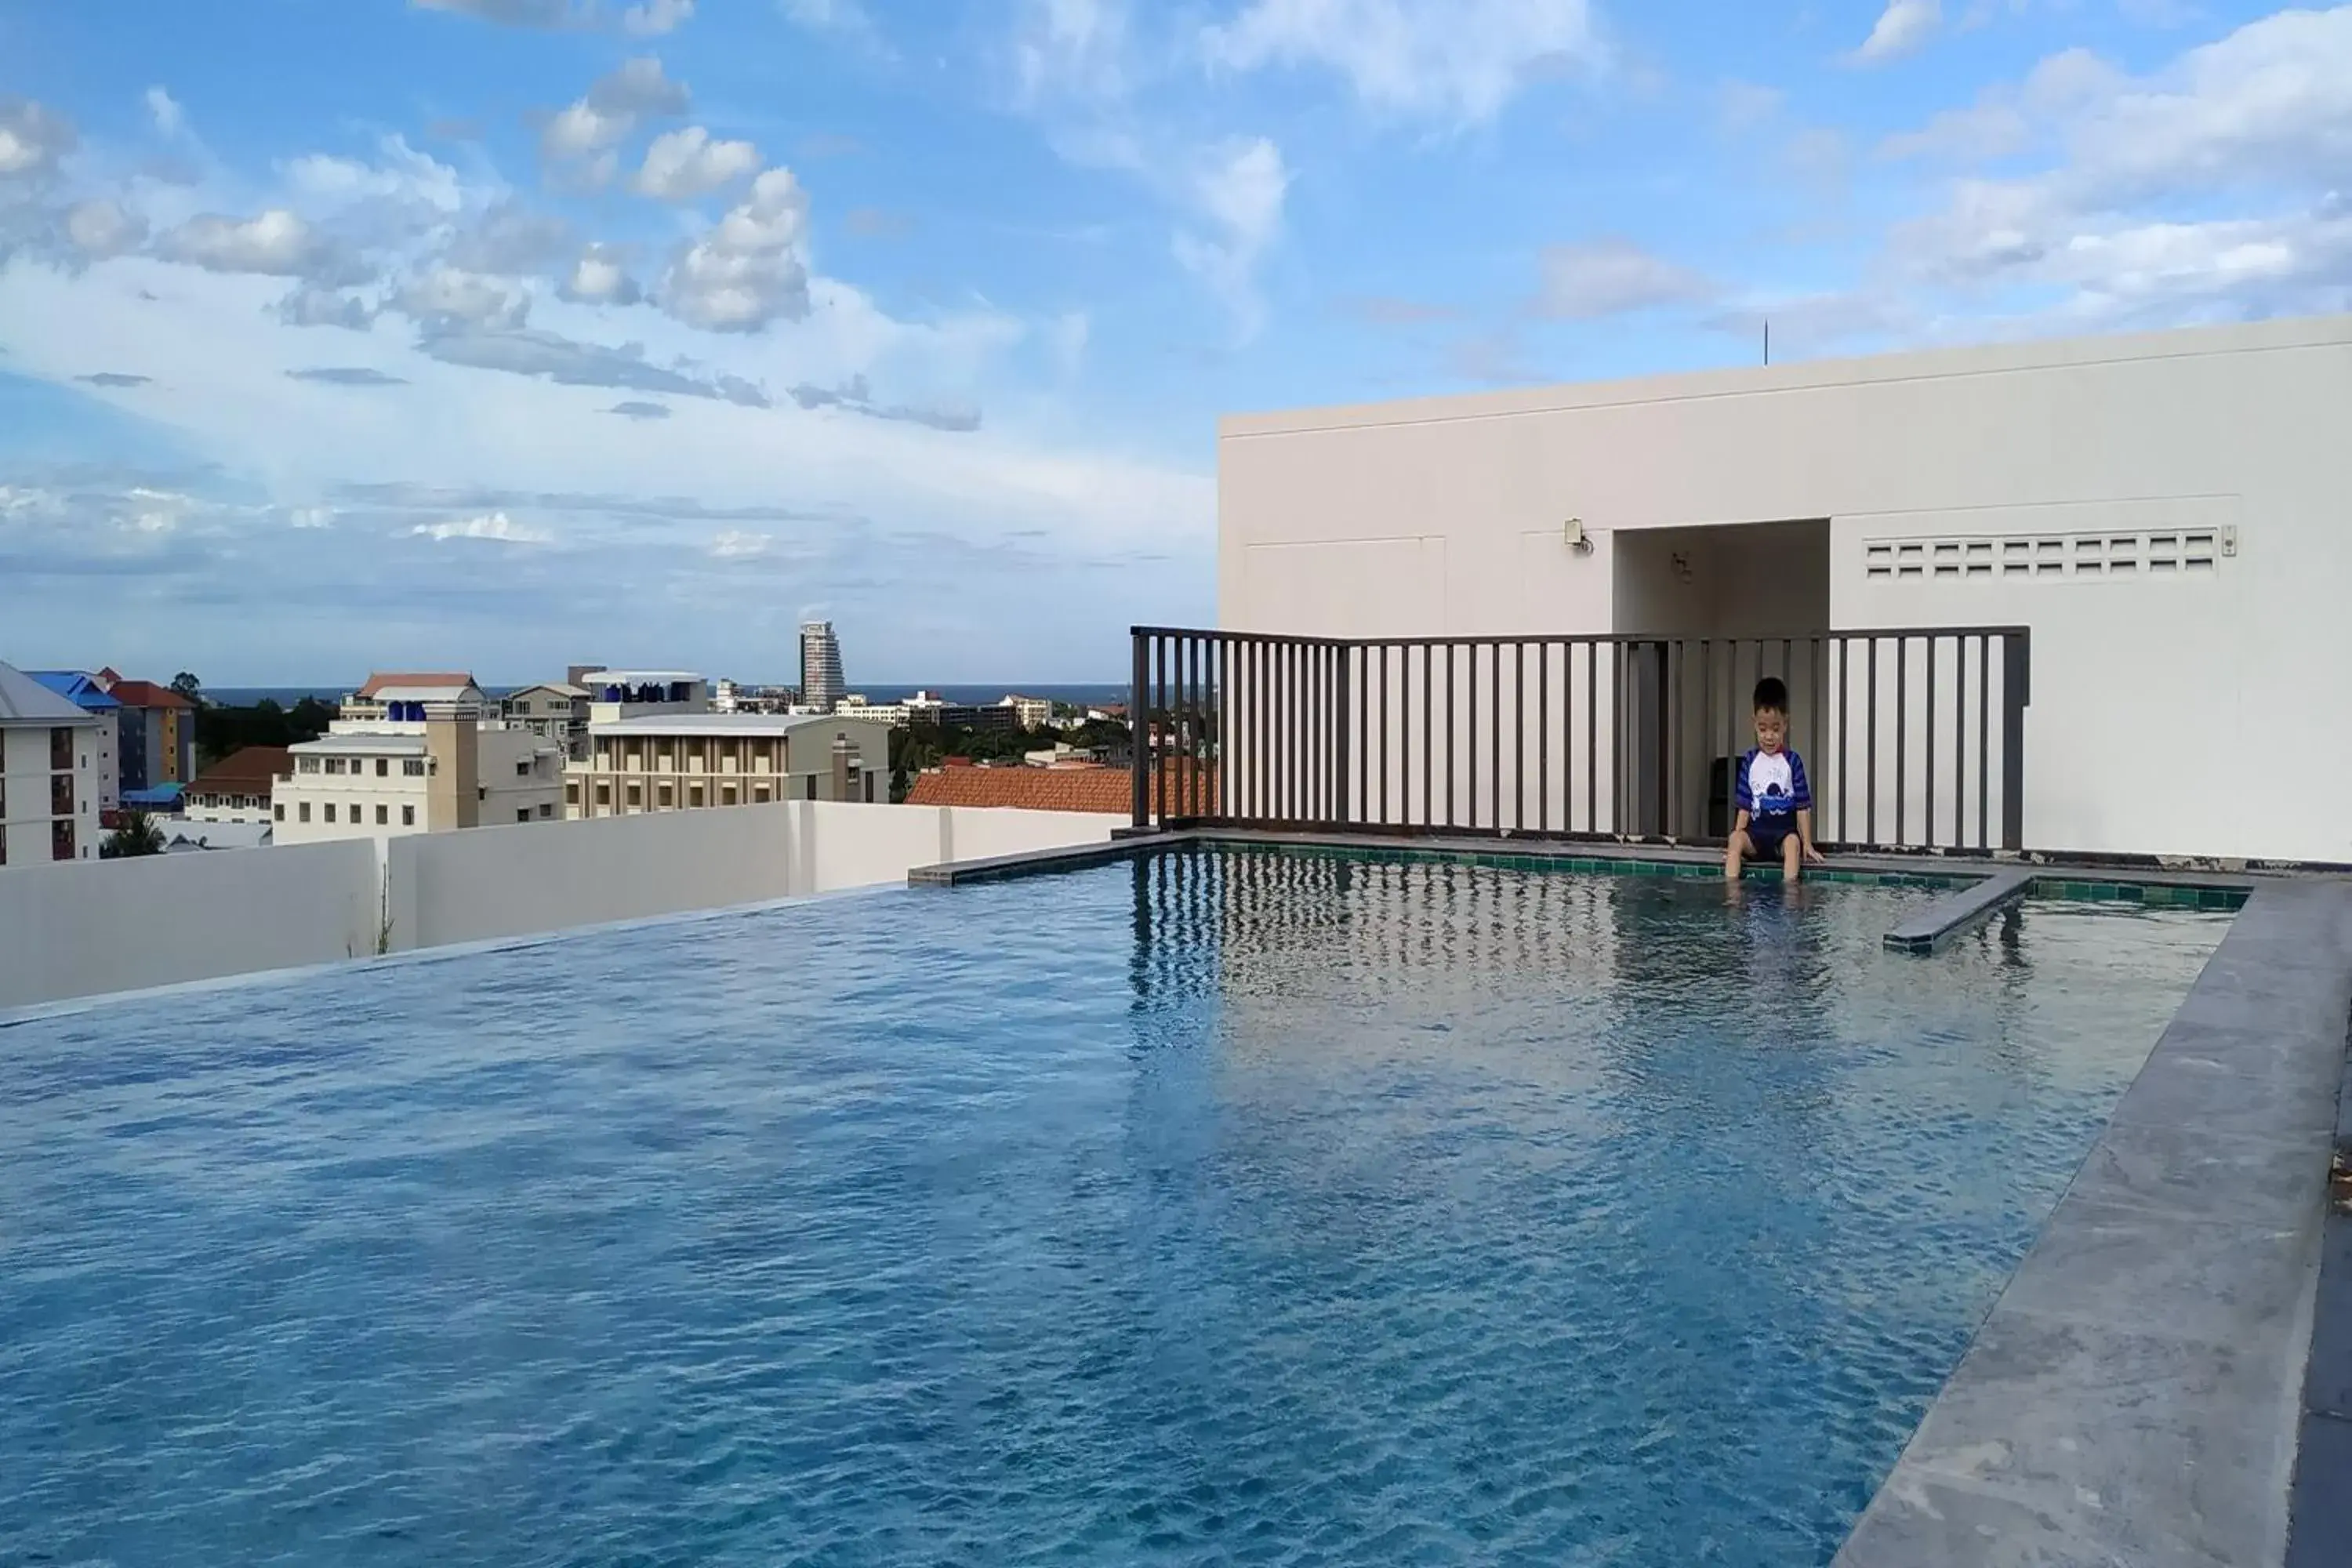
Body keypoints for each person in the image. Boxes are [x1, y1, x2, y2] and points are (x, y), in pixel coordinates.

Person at [1726, 676, 1825, 883]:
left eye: (1775, 729)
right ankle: (1732, 893)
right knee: (1735, 838)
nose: (1769, 736)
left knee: (1793, 843)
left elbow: (1802, 807)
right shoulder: (1750, 761)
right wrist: (1735, 846)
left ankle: (1790, 892)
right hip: (1755, 837)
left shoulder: (1792, 761)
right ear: (1754, 723)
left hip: (1782, 837)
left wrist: (1807, 844)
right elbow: (1744, 806)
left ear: (1785, 724)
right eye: (1763, 729)